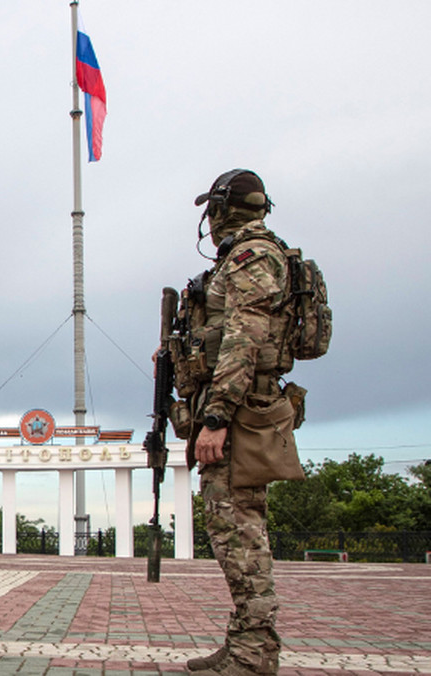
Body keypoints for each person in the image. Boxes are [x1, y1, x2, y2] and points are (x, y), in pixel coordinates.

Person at [171, 169, 300, 676]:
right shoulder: (250, 255)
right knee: (236, 531)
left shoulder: (251, 256)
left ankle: (253, 654)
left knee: (238, 535)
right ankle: (248, 644)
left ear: (223, 209)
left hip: (242, 414)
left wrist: (218, 415)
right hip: (244, 407)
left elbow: (244, 339)